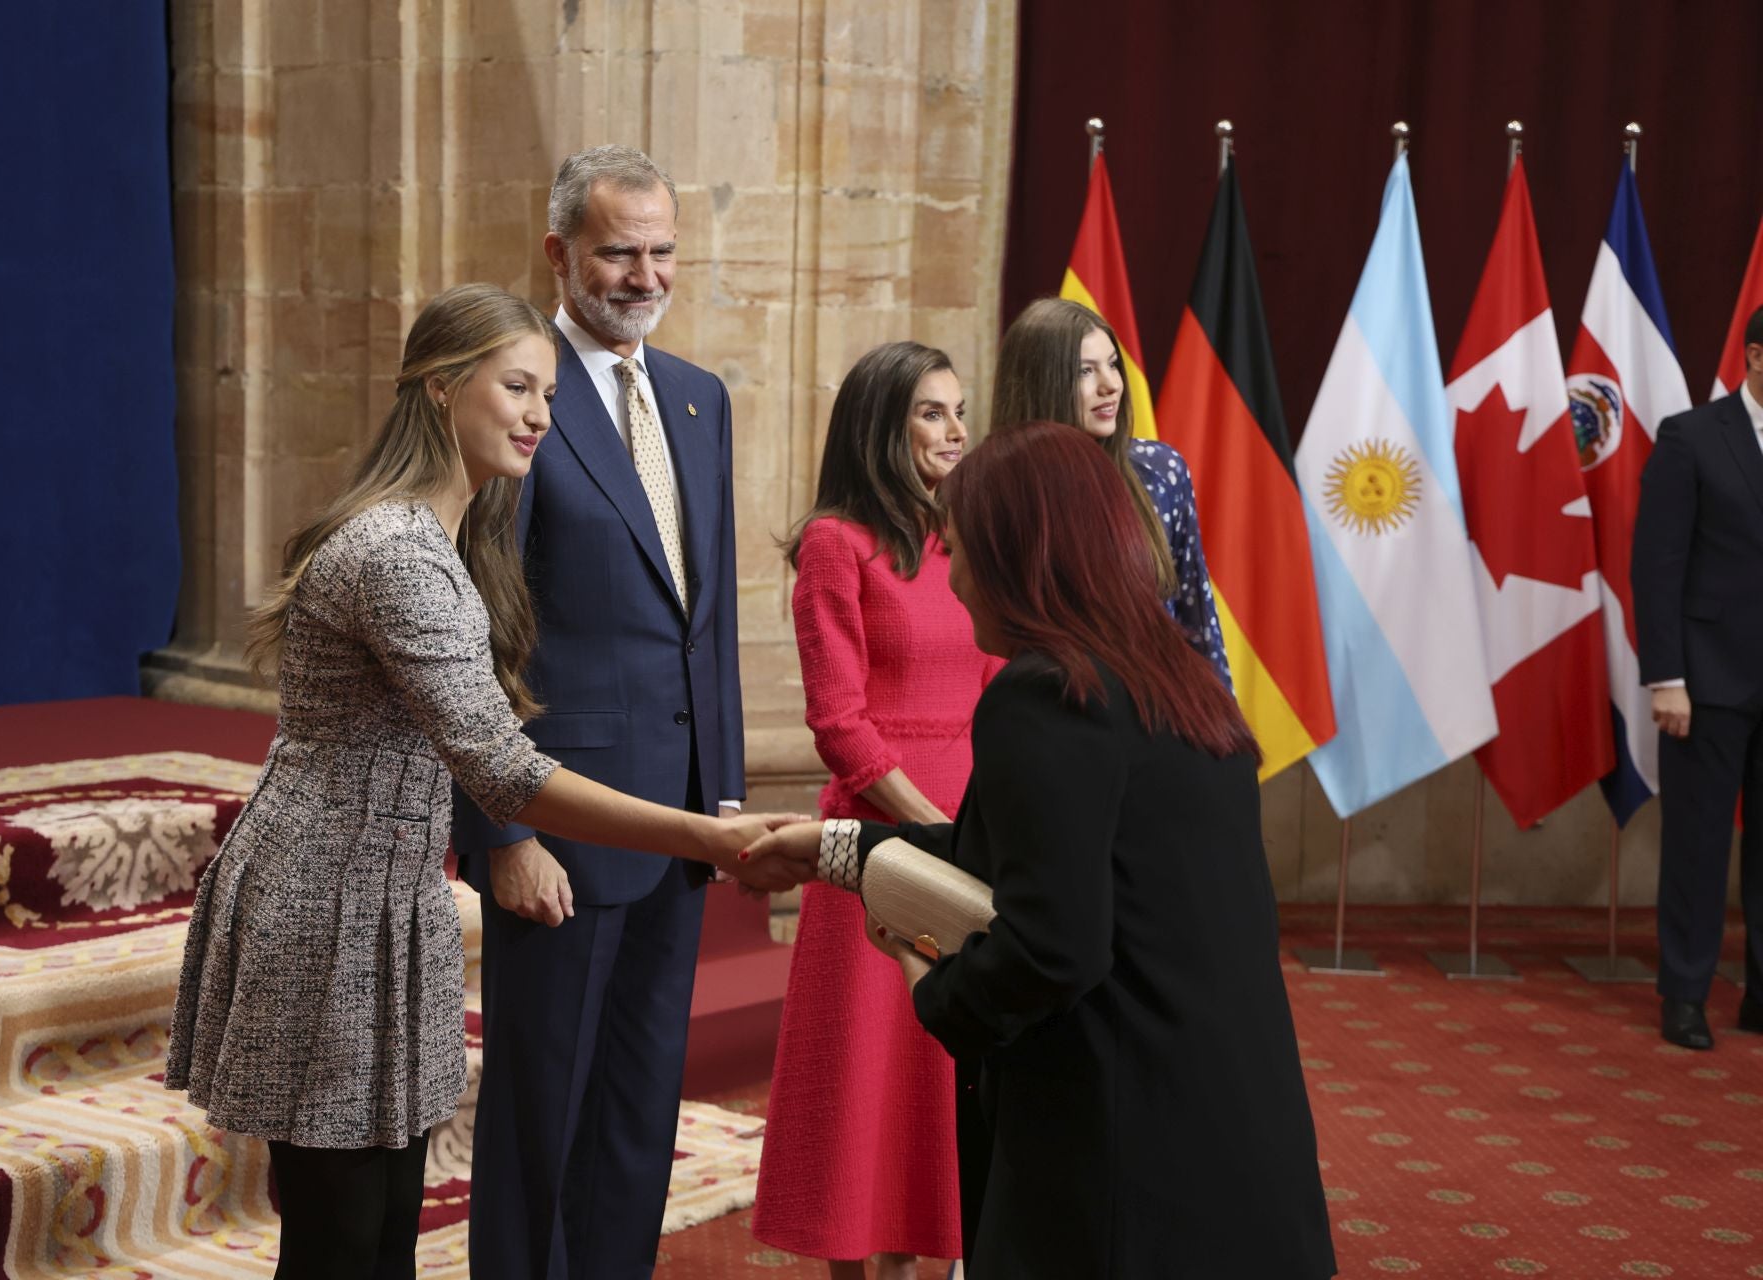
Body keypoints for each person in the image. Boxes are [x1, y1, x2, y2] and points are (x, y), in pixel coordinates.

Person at [164, 283, 804, 1280]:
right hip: (325, 904)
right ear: (437, 388)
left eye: (547, 391)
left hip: (391, 903)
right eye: (516, 386)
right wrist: (706, 835)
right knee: (339, 1244)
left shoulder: (454, 539)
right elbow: (504, 767)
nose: (540, 414)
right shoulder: (397, 552)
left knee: (382, 1240)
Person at [746, 422, 1336, 1278]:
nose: (959, 581)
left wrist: (932, 988)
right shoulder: (1173, 680)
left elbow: (1053, 946)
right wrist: (827, 850)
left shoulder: (1044, 695)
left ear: (1020, 554)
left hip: (1118, 1160)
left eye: (966, 549)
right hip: (1232, 1131)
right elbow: (1012, 850)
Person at [449, 146, 747, 1279]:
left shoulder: (697, 396)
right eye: (618, 249)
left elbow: (702, 618)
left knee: (635, 1115)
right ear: (559, 251)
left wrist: (719, 799)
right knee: (540, 1118)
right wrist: (503, 833)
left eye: (662, 249)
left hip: (674, 828)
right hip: (561, 830)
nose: (643, 272)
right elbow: (483, 634)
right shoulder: (519, 394)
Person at [753, 342, 994, 1279]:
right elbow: (840, 724)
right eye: (931, 413)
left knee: (946, 1081)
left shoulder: (964, 537)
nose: (957, 430)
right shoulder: (834, 542)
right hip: (881, 845)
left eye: (959, 410)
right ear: (879, 428)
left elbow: (1000, 687)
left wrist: (991, 829)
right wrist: (933, 834)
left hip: (973, 829)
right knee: (868, 1089)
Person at [1632, 302, 1763, 1051]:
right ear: (1753, 357)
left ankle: (1760, 995)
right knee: (1698, 844)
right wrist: (1666, 676)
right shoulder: (1691, 438)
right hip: (1707, 681)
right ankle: (1684, 992)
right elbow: (1659, 566)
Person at [990, 297, 1231, 690]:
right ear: (1041, 380)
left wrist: (1224, 732)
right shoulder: (993, 488)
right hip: (1049, 716)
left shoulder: (1159, 471)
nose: (1111, 385)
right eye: (1086, 370)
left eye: (1113, 364)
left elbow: (1196, 617)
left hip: (1157, 716)